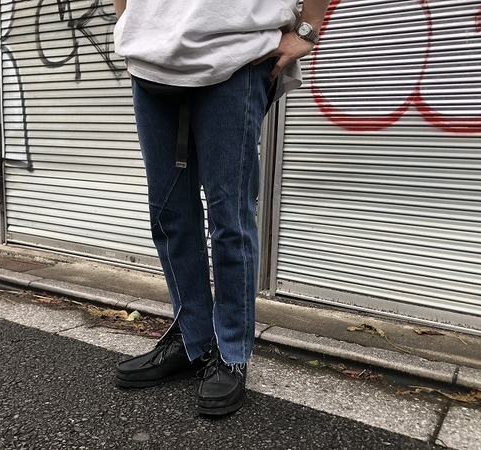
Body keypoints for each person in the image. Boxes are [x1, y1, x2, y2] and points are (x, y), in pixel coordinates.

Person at [111, 0, 332, 416]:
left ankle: (231, 351)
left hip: (237, 53)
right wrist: (131, 24)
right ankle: (192, 339)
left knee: (230, 218)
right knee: (169, 214)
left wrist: (307, 30)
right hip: (151, 62)